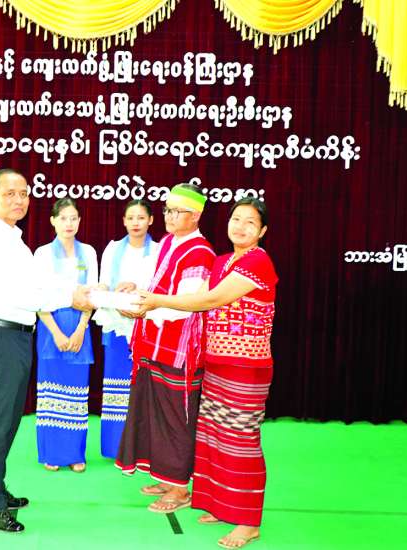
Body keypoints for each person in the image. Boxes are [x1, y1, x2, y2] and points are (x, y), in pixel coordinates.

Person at [134, 197, 277, 549]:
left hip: (247, 368)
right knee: (213, 436)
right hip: (216, 363)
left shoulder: (258, 261)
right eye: (236, 219)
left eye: (250, 222)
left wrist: (156, 301)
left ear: (262, 231)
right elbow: (191, 297)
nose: (240, 226)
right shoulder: (222, 261)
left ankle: (248, 522)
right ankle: (220, 505)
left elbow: (209, 300)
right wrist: (139, 301)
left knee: (241, 440)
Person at [0, 168, 92, 533]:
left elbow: (37, 283)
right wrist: (70, 296)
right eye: (10, 193)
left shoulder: (14, 241)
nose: (19, 200)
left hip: (16, 337)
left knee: (7, 422)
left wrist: (75, 291)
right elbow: (20, 294)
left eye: (23, 193)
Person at [114, 183, 215, 514]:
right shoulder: (170, 242)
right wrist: (136, 291)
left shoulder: (200, 252)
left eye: (177, 211)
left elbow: (185, 305)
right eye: (167, 210)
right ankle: (166, 477)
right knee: (155, 414)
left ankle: (180, 488)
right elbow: (157, 286)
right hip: (154, 343)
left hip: (179, 350)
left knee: (176, 420)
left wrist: (144, 308)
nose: (169, 217)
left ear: (196, 215)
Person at [33, 198, 98, 473]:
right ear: (53, 221)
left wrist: (81, 328)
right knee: (52, 391)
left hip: (80, 326)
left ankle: (75, 454)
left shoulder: (89, 252)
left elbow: (92, 294)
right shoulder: (41, 254)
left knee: (76, 392)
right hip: (51, 327)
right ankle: (52, 453)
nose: (69, 223)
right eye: (63, 218)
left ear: (80, 221)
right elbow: (37, 297)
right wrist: (57, 333)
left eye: (73, 218)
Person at [93, 199, 157, 458]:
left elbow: (160, 288)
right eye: (130, 218)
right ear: (123, 221)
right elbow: (103, 284)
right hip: (116, 325)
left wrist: (137, 289)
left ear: (150, 220)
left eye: (141, 217)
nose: (135, 223)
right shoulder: (112, 249)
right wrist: (110, 295)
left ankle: (141, 447)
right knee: (116, 386)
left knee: (142, 387)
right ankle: (115, 447)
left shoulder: (159, 251)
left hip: (146, 326)